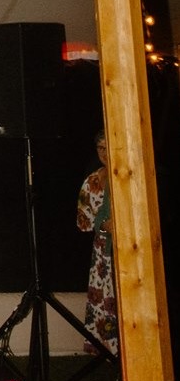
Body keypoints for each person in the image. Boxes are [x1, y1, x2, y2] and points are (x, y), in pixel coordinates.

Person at [76, 129, 117, 356]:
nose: (103, 152)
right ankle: (110, 353)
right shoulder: (92, 181)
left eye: (107, 146)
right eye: (100, 148)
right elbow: (83, 222)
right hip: (102, 252)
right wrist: (103, 225)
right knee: (104, 303)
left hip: (126, 251)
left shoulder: (126, 176)